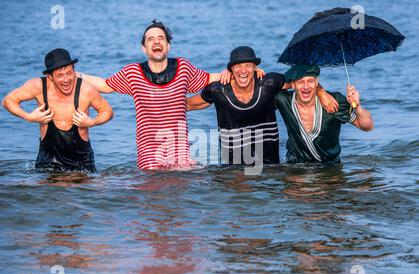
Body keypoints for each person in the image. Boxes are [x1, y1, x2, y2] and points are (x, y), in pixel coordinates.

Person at [79, 20, 253, 170]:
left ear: (168, 46)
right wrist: (74, 75)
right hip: (149, 154)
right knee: (153, 192)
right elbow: (104, 85)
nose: (156, 42)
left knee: (185, 192)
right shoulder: (133, 73)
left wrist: (242, 72)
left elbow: (209, 78)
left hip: (180, 152)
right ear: (144, 48)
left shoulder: (183, 67)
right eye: (151, 39)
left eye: (161, 38)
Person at [187, 46, 338, 167]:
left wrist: (321, 91)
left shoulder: (269, 84)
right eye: (238, 66)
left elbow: (300, 80)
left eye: (248, 65)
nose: (243, 70)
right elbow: (186, 105)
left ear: (255, 68)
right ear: (231, 69)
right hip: (233, 171)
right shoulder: (218, 90)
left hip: (269, 168)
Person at [2, 48, 113, 172]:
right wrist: (28, 117)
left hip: (82, 163)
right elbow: (8, 101)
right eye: (60, 75)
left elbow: (107, 111)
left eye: (69, 73)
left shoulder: (85, 90)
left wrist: (91, 122)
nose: (66, 80)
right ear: (49, 76)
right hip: (48, 162)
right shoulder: (38, 86)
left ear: (74, 71)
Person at [275, 65, 374, 164]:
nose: (306, 86)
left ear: (317, 82)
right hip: (295, 166)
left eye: (310, 81)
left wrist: (357, 107)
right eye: (300, 82)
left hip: (329, 166)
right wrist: (258, 71)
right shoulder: (284, 100)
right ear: (292, 84)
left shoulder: (334, 102)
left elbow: (367, 126)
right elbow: (268, 84)